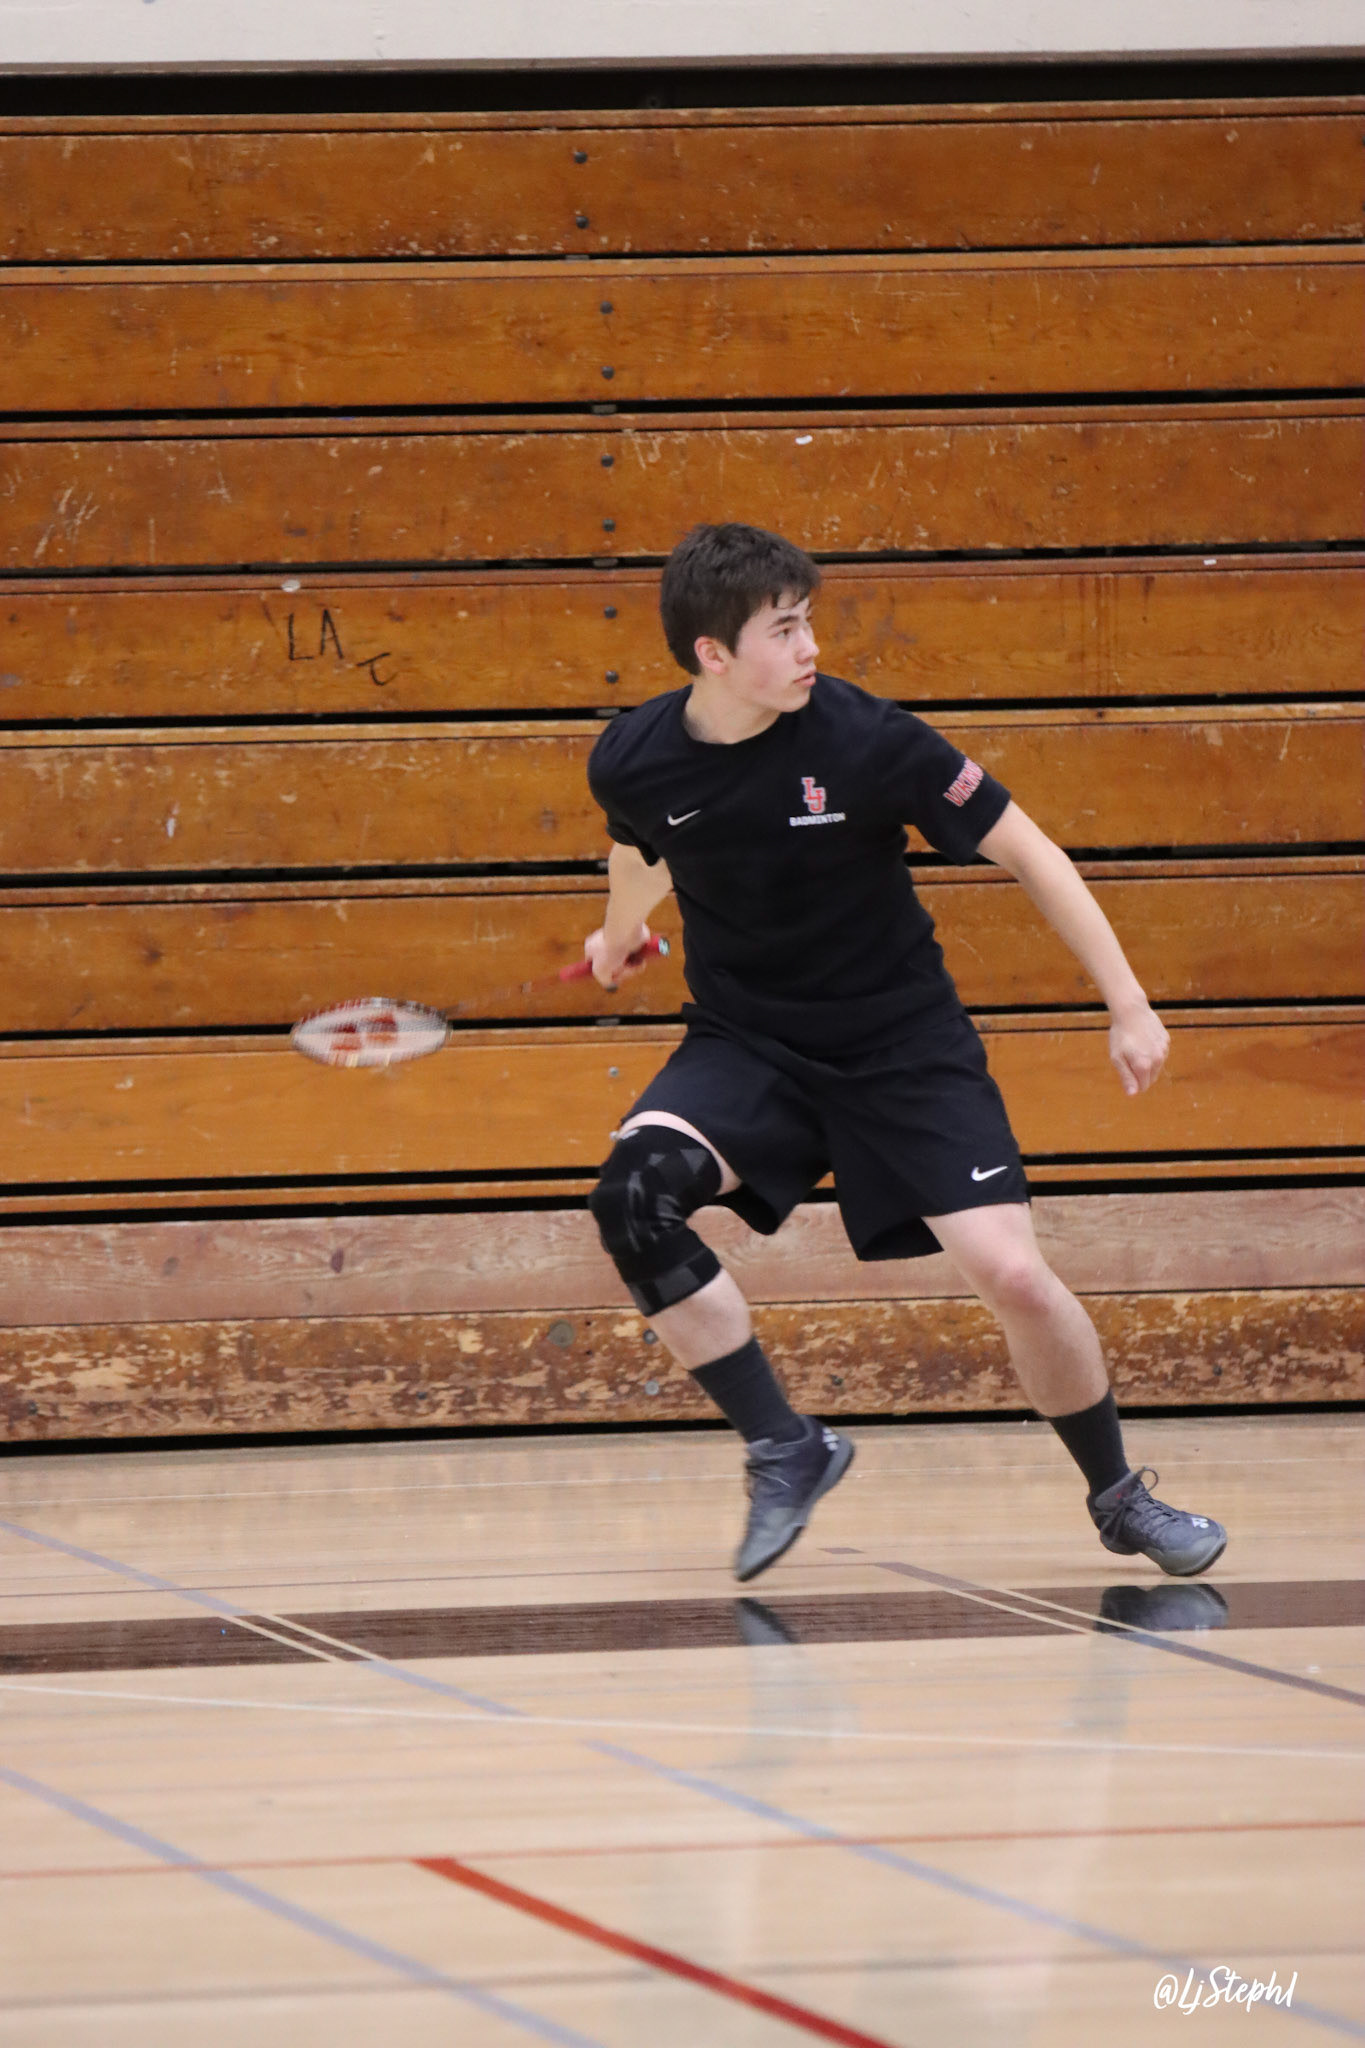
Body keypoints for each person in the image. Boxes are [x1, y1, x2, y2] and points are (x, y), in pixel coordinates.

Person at [583, 522, 1226, 1584]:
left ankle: (1120, 1496)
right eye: (783, 629)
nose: (810, 647)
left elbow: (1031, 851)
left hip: (900, 1047)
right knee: (631, 1198)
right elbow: (645, 845)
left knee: (1014, 1276)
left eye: (808, 622)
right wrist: (617, 934)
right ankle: (785, 1445)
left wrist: (1129, 1002)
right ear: (712, 654)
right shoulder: (632, 755)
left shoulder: (871, 741)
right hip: (749, 1044)